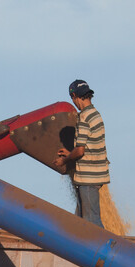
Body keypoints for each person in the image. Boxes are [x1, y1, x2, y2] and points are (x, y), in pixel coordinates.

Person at [54, 79, 109, 228]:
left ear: (74, 97)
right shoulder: (95, 114)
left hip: (88, 177)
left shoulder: (84, 117)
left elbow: (80, 151)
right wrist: (69, 152)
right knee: (79, 221)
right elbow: (88, 145)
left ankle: (104, 249)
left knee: (92, 223)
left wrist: (64, 161)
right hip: (95, 174)